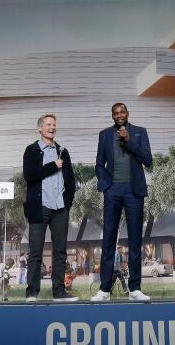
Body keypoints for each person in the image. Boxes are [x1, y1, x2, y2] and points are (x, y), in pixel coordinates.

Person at [91, 103, 153, 302]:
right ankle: (104, 290)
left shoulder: (139, 132)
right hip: (113, 191)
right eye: (115, 113)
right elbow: (99, 163)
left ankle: (135, 289)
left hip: (134, 191)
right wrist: (105, 183)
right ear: (112, 115)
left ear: (127, 114)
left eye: (122, 112)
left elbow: (148, 160)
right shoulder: (104, 135)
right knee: (108, 239)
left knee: (135, 240)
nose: (119, 115)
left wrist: (129, 141)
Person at [23, 114, 78, 302]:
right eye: (48, 124)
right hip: (40, 207)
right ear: (40, 128)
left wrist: (67, 201)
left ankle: (59, 292)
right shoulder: (31, 150)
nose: (52, 127)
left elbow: (71, 181)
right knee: (36, 252)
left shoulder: (63, 151)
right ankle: (32, 293)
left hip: (60, 208)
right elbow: (29, 175)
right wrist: (53, 166)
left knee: (60, 251)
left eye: (54, 124)